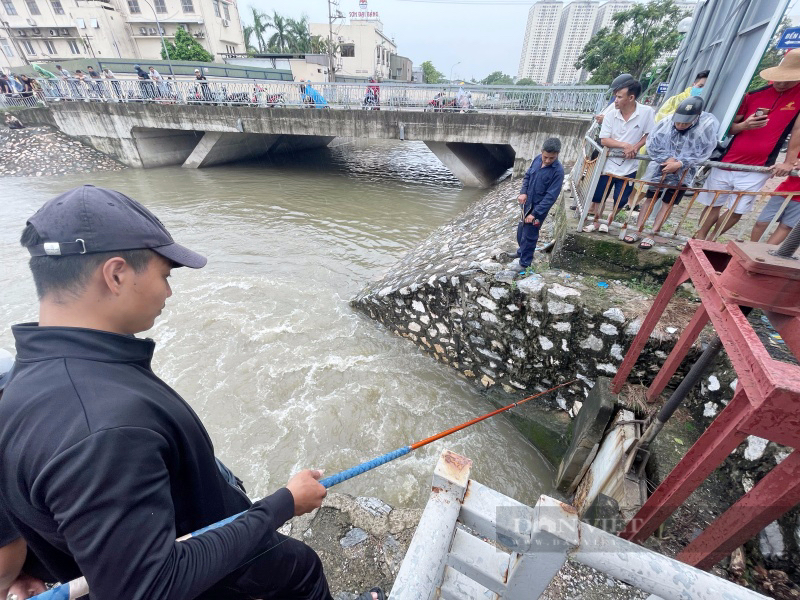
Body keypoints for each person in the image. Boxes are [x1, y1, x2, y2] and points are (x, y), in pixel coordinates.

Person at [0, 185, 351, 600]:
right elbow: (148, 587)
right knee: (301, 569)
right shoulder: (103, 425)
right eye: (165, 275)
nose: (168, 291)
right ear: (116, 275)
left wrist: (28, 567)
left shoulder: (25, 382)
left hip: (162, 534)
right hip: (215, 574)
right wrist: (282, 505)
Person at [694, 49, 800, 240]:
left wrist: (789, 162)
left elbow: (797, 132)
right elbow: (729, 129)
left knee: (738, 209)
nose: (782, 83)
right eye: (779, 78)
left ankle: (711, 239)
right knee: (713, 202)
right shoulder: (754, 95)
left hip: (759, 165)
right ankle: (699, 237)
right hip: (729, 159)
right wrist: (745, 125)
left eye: (788, 79)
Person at [627, 97, 719, 249]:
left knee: (667, 203)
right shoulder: (666, 123)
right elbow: (653, 144)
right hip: (661, 168)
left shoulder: (705, 127)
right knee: (650, 198)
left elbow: (703, 151)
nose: (681, 125)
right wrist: (667, 159)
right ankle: (639, 229)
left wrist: (680, 163)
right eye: (678, 122)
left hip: (683, 172)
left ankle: (653, 233)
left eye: (685, 123)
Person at [583, 79, 655, 232]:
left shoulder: (646, 113)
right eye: (616, 96)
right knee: (600, 195)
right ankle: (596, 221)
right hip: (608, 162)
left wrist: (635, 147)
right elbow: (604, 139)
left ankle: (609, 220)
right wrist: (625, 145)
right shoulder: (611, 115)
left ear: (631, 97)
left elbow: (649, 134)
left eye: (620, 97)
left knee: (621, 198)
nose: (616, 100)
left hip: (629, 164)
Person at [516, 138, 565, 269]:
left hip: (538, 209)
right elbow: (527, 177)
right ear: (541, 151)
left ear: (557, 154)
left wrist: (535, 213)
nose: (548, 160)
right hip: (526, 204)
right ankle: (520, 252)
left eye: (552, 158)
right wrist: (523, 192)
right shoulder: (537, 159)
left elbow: (551, 197)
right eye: (546, 157)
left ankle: (524, 263)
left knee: (530, 235)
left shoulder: (558, 171)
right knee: (521, 232)